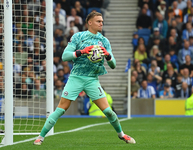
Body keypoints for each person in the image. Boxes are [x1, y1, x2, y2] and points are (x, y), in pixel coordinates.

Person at [33, 12, 136, 145]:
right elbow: (65, 56)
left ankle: (122, 135)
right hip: (76, 77)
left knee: (108, 112)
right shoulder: (78, 37)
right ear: (90, 22)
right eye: (98, 21)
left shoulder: (104, 41)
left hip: (92, 79)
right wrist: (82, 51)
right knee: (60, 109)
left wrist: (108, 55)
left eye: (102, 21)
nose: (101, 23)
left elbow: (113, 65)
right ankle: (40, 137)